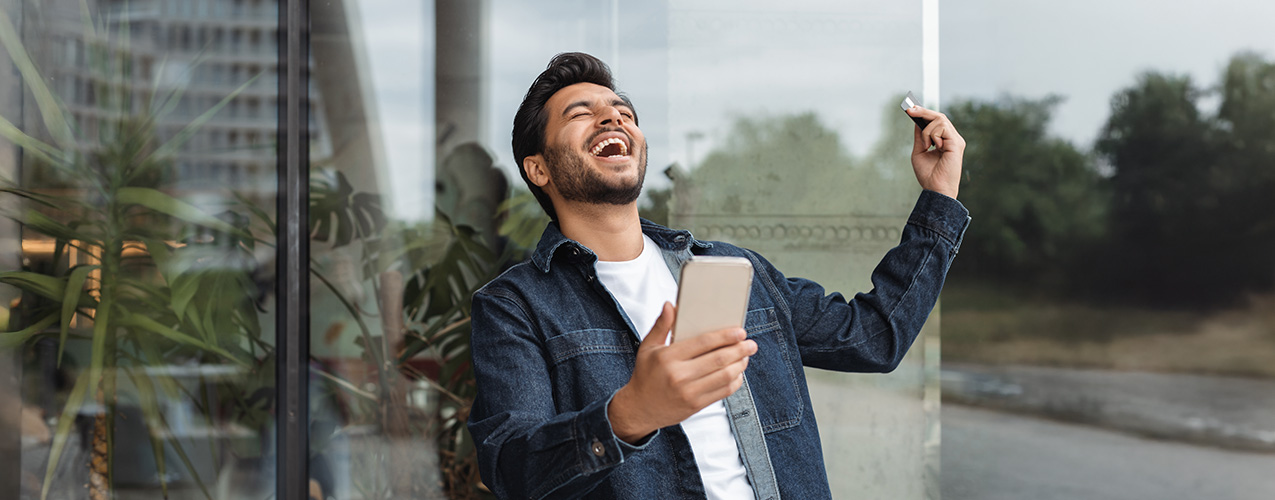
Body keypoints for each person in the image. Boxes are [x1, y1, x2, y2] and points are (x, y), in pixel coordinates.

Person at [467, 52, 969, 499]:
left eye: (623, 113)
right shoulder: (515, 306)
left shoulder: (732, 271)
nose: (611, 117)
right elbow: (511, 470)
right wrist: (630, 415)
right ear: (538, 169)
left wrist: (940, 198)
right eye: (581, 114)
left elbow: (874, 336)